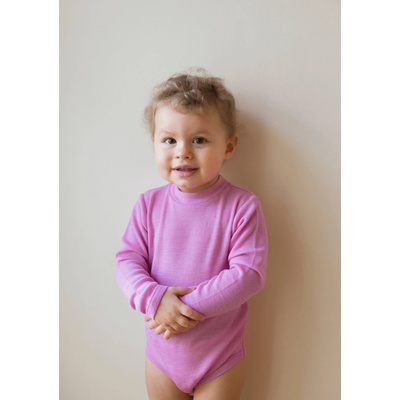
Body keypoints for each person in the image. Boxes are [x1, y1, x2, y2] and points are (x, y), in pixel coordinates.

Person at [115, 68, 268, 400]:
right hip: (161, 356)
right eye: (169, 140)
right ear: (155, 143)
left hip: (219, 361)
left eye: (199, 140)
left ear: (228, 146)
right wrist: (155, 299)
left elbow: (248, 274)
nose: (182, 151)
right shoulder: (148, 205)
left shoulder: (242, 206)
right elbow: (127, 261)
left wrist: (181, 308)